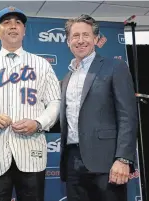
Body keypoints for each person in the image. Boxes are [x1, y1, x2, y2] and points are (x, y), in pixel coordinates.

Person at [0, 6, 61, 201]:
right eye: (6, 23)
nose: (13, 26)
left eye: (18, 23)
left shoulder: (42, 64)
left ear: (24, 31)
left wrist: (39, 123)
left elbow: (54, 102)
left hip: (32, 153)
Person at [59, 14, 138, 201]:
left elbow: (128, 116)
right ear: (68, 41)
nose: (80, 41)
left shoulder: (115, 67)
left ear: (95, 39)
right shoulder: (66, 78)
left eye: (85, 35)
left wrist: (123, 159)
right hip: (72, 162)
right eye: (75, 36)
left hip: (107, 162)